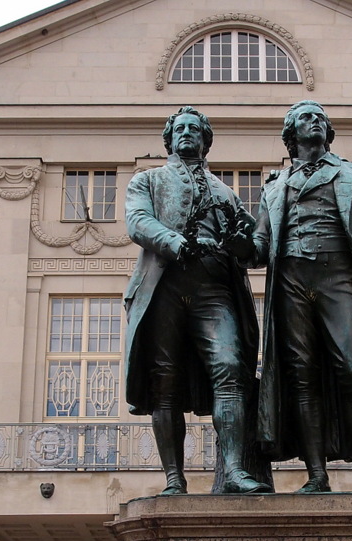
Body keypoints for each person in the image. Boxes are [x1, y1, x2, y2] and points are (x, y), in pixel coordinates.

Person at [251, 100, 352, 497]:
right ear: (291, 135)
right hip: (291, 280)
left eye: (321, 118)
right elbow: (258, 249)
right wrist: (230, 240)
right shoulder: (275, 185)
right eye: (307, 117)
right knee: (301, 375)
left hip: (339, 276)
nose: (317, 122)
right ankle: (316, 475)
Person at [124, 106, 270, 495]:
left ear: (206, 141)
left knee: (230, 368)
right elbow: (138, 221)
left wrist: (245, 248)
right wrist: (179, 243)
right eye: (180, 128)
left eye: (195, 129)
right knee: (164, 383)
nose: (187, 133)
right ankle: (174, 478)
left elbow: (256, 249)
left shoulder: (227, 192)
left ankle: (235, 471)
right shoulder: (148, 180)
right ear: (169, 139)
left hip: (214, 290)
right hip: (165, 286)